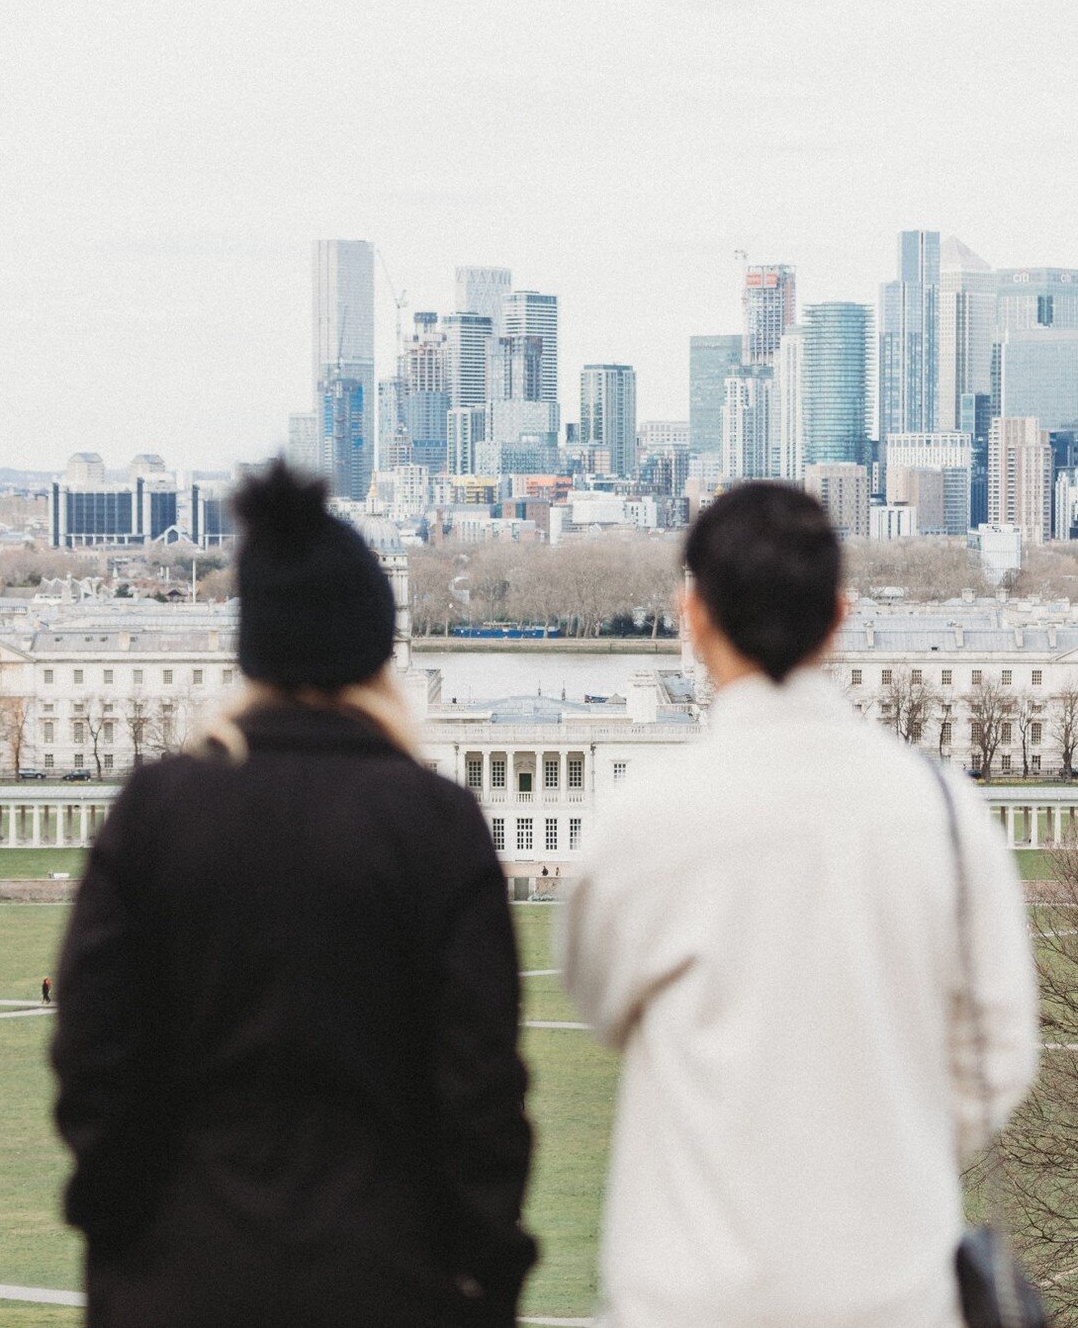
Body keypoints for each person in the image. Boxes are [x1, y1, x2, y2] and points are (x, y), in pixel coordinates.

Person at [52, 462, 536, 1328]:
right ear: (377, 651)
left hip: (179, 1275)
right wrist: (484, 1276)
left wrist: (121, 1234)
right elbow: (483, 1093)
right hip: (390, 1278)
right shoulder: (436, 823)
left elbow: (94, 1063)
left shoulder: (158, 811)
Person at [560, 481, 1039, 1328]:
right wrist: (887, 1146)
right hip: (892, 1291)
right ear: (840, 617)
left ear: (692, 616)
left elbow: (598, 1004)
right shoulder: (945, 811)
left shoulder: (644, 818)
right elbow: (999, 1053)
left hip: (687, 1295)